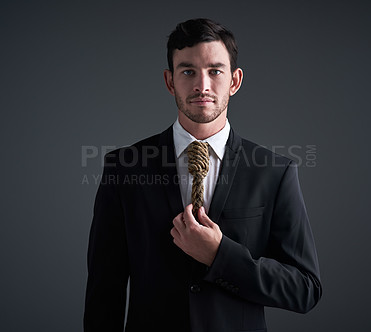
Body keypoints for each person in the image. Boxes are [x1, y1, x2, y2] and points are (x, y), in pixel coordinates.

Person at [84, 18, 322, 332]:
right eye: (188, 71)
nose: (202, 86)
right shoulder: (124, 167)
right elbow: (104, 291)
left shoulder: (275, 172)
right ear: (170, 81)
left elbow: (304, 289)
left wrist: (220, 254)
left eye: (215, 71)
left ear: (235, 81)